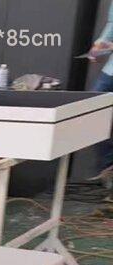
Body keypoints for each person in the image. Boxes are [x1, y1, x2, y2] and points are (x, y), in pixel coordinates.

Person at [90, 6, 113, 177]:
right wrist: (99, 46)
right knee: (93, 114)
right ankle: (109, 166)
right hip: (110, 73)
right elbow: (112, 25)